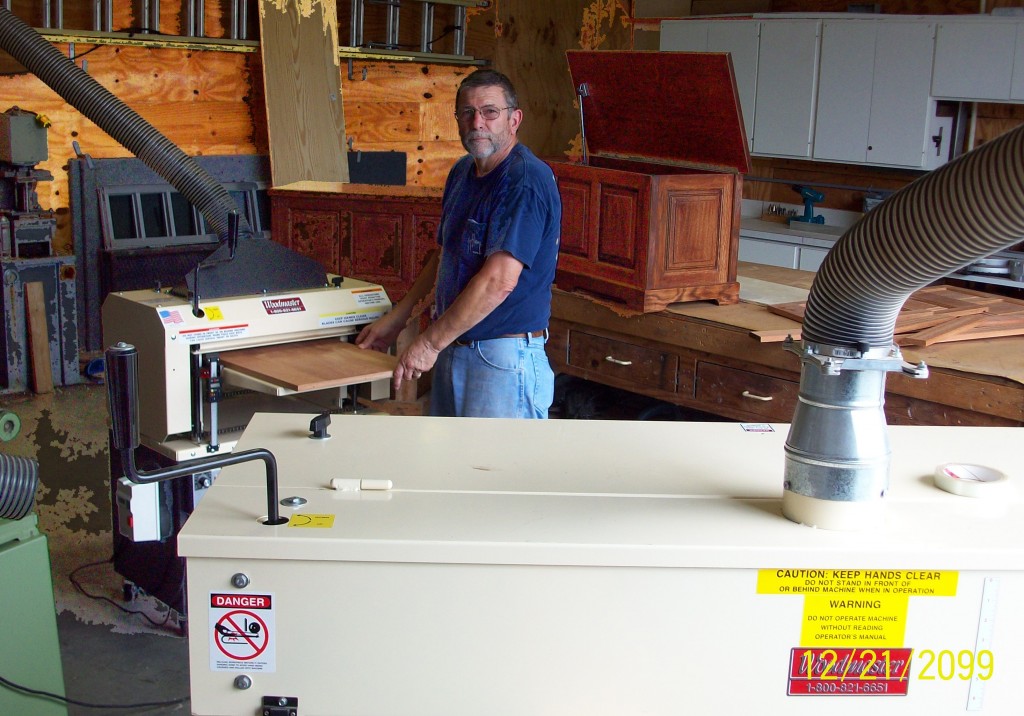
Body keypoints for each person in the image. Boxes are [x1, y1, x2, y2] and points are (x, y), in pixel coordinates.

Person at [356, 68, 561, 418]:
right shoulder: (463, 172)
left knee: (493, 471)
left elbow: (499, 281)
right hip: (456, 343)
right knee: (450, 468)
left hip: (501, 358)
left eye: (490, 112)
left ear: (514, 119)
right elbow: (446, 256)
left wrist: (429, 343)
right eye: (467, 113)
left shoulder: (524, 181)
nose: (477, 122)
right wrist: (399, 317)